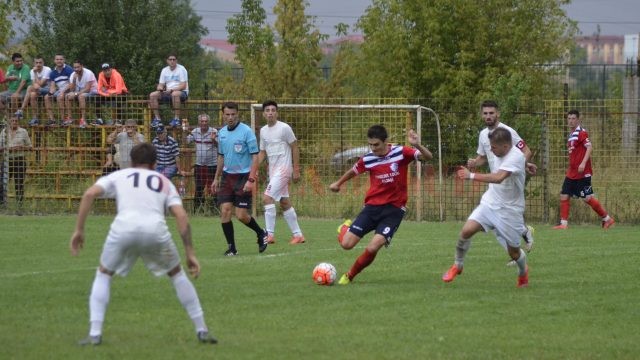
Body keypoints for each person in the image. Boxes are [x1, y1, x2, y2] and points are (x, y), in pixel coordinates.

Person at [69, 143, 217, 346]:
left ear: (131, 162)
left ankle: (95, 333)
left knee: (103, 274)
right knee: (177, 274)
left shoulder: (120, 176)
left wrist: (79, 230)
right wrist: (189, 252)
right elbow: (181, 215)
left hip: (123, 230)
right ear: (155, 164)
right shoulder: (164, 181)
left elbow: (88, 194)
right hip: (155, 231)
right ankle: (202, 330)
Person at [330, 125, 432, 284]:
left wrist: (417, 144)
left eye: (376, 144)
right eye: (370, 144)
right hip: (372, 208)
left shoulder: (401, 152)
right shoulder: (369, 158)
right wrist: (338, 183)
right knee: (346, 244)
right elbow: (353, 170)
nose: (373, 148)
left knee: (373, 247)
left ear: (386, 141)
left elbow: (427, 157)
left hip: (394, 210)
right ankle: (344, 228)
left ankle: (349, 275)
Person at [442, 127, 529, 288]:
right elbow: (512, 166)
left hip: (510, 211)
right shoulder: (501, 153)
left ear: (506, 146)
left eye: (493, 147)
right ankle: (458, 265)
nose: (491, 150)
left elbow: (498, 178)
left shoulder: (515, 156)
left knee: (514, 253)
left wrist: (471, 175)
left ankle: (523, 272)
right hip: (490, 203)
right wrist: (526, 165)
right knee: (466, 231)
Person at [466, 100, 536, 263]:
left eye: (491, 113)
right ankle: (520, 243)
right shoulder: (483, 134)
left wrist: (521, 165)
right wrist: (475, 163)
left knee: (502, 221)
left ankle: (522, 236)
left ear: (498, 114)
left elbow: (526, 151)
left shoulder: (508, 132)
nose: (488, 116)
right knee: (496, 223)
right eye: (485, 113)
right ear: (481, 115)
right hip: (495, 183)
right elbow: (484, 158)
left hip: (508, 181)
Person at [211, 102, 268, 256]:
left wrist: (251, 179)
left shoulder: (246, 132)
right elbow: (221, 157)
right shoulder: (222, 133)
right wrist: (216, 178)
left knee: (241, 215)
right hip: (227, 177)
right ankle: (232, 248)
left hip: (243, 177)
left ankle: (261, 233)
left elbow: (255, 157)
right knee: (225, 211)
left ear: (238, 114)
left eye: (233, 114)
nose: (230, 117)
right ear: (223, 115)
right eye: (227, 114)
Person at [553, 109, 614, 229]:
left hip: (582, 173)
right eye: (569, 118)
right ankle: (563, 224)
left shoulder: (581, 132)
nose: (571, 121)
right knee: (564, 194)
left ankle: (607, 219)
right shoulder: (571, 134)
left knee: (587, 198)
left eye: (573, 118)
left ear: (578, 119)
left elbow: (589, 147)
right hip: (572, 172)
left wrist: (583, 163)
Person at [258, 100, 304, 245]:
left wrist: (296, 169)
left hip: (284, 170)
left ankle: (269, 235)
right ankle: (298, 235)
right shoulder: (263, 131)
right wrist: (253, 169)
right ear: (264, 113)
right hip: (273, 171)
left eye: (273, 110)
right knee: (284, 202)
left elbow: (295, 147)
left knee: (266, 198)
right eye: (267, 110)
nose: (270, 112)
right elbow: (262, 152)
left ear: (277, 113)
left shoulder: (284, 128)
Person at [185, 113, 218, 213]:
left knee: (213, 188)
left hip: (212, 164)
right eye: (202, 121)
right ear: (199, 122)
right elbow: (186, 142)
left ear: (208, 122)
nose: (204, 123)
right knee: (199, 187)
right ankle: (197, 210)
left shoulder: (214, 131)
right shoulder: (195, 132)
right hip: (199, 165)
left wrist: (213, 141)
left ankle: (214, 210)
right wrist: (184, 131)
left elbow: (220, 147)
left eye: (206, 121)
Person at [0, 116, 32, 209]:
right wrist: (9, 149)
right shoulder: (4, 132)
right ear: (9, 122)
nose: (14, 122)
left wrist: (22, 148)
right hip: (7, 160)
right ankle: (2, 204)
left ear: (18, 122)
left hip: (20, 159)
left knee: (19, 183)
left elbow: (30, 147)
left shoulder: (23, 131)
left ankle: (19, 205)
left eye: (16, 121)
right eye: (12, 121)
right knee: (2, 182)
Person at [149, 54, 188, 128]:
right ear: (167, 61)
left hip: (181, 92)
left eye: (174, 59)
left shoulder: (181, 69)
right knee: (153, 95)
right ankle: (157, 119)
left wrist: (172, 90)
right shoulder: (164, 70)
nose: (172, 61)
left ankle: (176, 119)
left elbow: (183, 86)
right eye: (170, 59)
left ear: (176, 60)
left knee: (175, 94)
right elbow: (161, 84)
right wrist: (160, 88)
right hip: (168, 92)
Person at [15, 55, 51, 126]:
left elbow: (40, 84)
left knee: (29, 88)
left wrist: (35, 73)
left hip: (47, 90)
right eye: (36, 63)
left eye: (40, 62)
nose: (38, 64)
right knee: (32, 94)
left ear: (43, 63)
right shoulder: (32, 71)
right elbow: (34, 85)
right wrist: (36, 84)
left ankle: (22, 110)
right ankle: (35, 118)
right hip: (38, 91)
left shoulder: (47, 70)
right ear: (34, 63)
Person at [64, 60, 98, 127]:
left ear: (82, 66)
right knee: (67, 96)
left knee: (81, 96)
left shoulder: (88, 73)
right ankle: (70, 118)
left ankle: (83, 120)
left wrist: (76, 94)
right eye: (75, 67)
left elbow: (87, 89)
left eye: (78, 67)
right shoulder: (73, 75)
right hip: (80, 92)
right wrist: (74, 80)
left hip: (92, 91)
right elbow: (72, 89)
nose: (76, 69)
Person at [44, 54, 74, 126]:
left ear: (64, 60)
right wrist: (50, 93)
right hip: (60, 90)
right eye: (57, 59)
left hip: (69, 89)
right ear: (54, 61)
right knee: (46, 97)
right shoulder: (53, 72)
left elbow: (72, 83)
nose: (59, 61)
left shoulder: (68, 69)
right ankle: (52, 119)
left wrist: (63, 91)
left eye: (61, 59)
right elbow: (53, 86)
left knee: (59, 97)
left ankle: (63, 119)